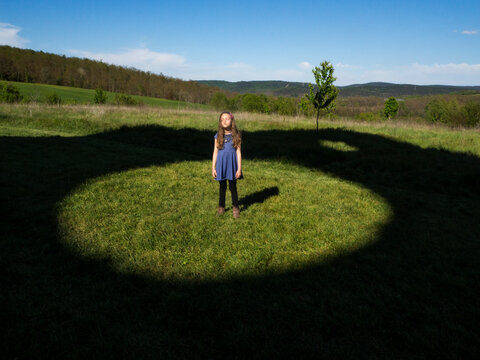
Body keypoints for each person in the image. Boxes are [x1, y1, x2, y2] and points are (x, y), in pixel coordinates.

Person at [212, 111, 243, 218]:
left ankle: (236, 207)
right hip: (221, 165)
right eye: (222, 119)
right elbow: (215, 152)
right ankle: (221, 207)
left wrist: (239, 169)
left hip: (232, 166)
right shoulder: (218, 136)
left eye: (226, 118)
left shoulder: (236, 135)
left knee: (233, 186)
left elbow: (238, 153)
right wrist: (213, 168)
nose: (224, 121)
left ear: (232, 120)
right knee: (222, 186)